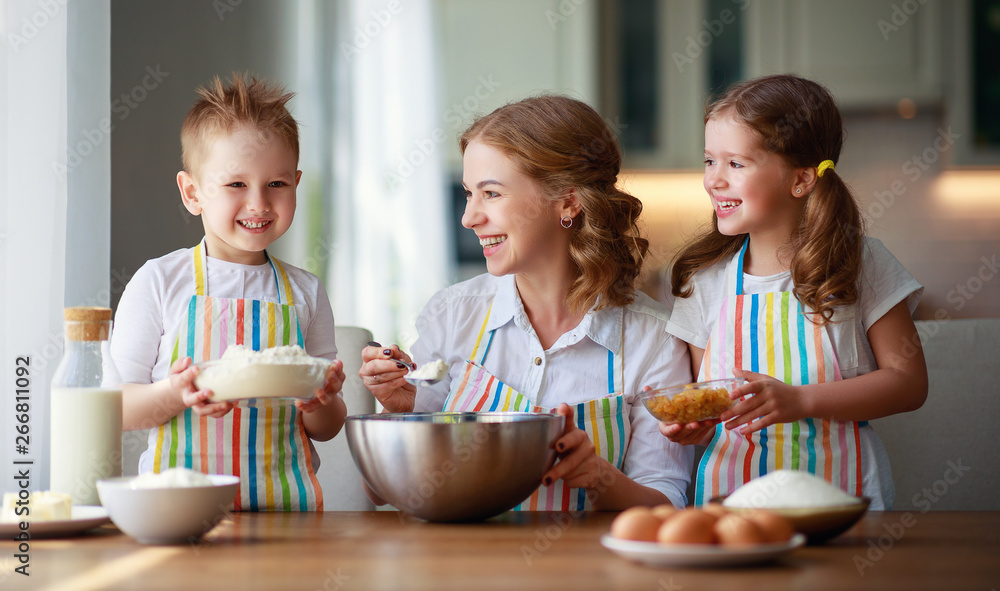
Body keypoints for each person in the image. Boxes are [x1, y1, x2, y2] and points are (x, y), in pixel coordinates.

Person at [360, 95, 694, 510]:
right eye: (469, 194)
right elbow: (390, 491)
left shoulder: (654, 338)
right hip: (460, 565)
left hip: (590, 572)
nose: (469, 217)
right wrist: (400, 409)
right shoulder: (452, 315)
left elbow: (667, 503)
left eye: (492, 194)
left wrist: (599, 475)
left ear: (568, 201)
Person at [660, 74, 927, 510]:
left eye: (736, 164)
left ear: (800, 180)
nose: (714, 180)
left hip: (843, 504)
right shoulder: (703, 281)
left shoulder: (861, 264)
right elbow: (706, 405)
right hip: (732, 508)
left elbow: (909, 384)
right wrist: (696, 426)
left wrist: (801, 400)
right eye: (710, 161)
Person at [111, 73, 346, 511]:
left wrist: (321, 399)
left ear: (296, 183)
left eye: (276, 184)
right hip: (177, 516)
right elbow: (117, 409)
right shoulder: (159, 281)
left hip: (287, 516)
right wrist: (175, 394)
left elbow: (327, 428)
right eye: (236, 184)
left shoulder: (306, 291)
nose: (258, 203)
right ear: (192, 192)